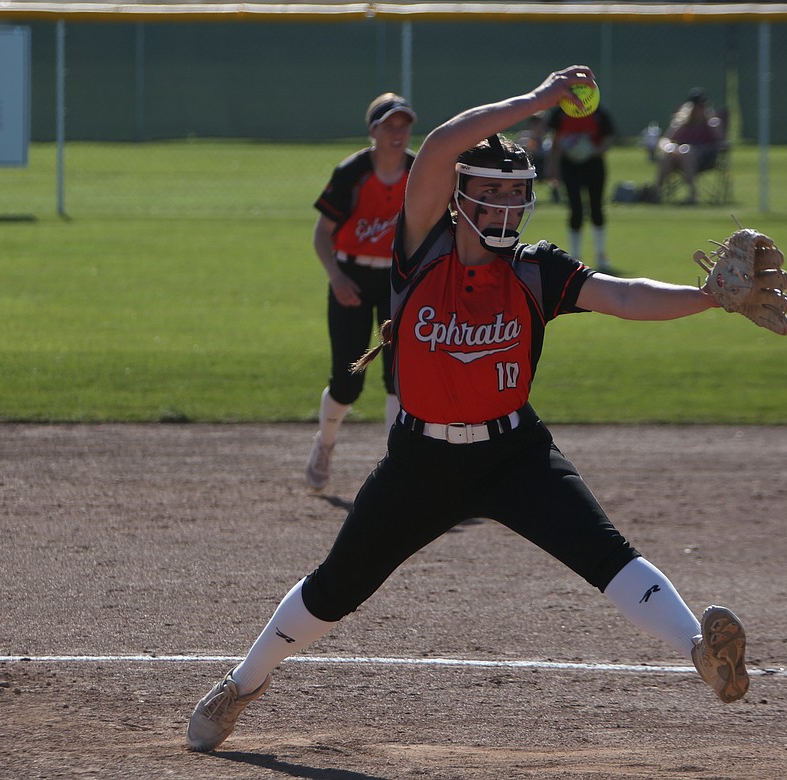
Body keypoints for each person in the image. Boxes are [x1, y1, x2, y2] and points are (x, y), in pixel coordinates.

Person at [186, 66, 749, 754]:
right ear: (456, 199)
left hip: (516, 456)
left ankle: (700, 648)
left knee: (606, 554)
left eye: (517, 195)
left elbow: (626, 295)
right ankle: (241, 685)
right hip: (420, 462)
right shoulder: (419, 249)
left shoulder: (536, 269)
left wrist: (708, 296)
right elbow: (443, 143)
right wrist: (539, 101)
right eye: (490, 193)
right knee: (338, 587)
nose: (506, 208)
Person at [305, 93, 416, 491]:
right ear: (373, 131)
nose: (398, 132)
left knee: (399, 378)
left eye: (403, 125)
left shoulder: (418, 171)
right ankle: (326, 444)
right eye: (389, 125)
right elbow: (322, 234)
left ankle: (396, 467)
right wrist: (336, 277)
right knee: (347, 379)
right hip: (350, 274)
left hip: (398, 281)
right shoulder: (353, 172)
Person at [547, 101, 617, 272]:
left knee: (596, 208)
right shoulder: (560, 112)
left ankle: (600, 255)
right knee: (575, 209)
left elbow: (608, 137)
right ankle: (575, 256)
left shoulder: (598, 112)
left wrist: (594, 150)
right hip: (569, 164)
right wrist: (553, 167)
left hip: (593, 163)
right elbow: (555, 140)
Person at [653, 88, 725, 205]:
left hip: (704, 159)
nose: (699, 110)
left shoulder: (712, 124)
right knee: (670, 154)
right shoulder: (681, 123)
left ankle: (693, 195)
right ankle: (656, 193)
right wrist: (670, 148)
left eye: (701, 106)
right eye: (696, 106)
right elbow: (666, 140)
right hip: (677, 157)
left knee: (687, 152)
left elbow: (722, 143)